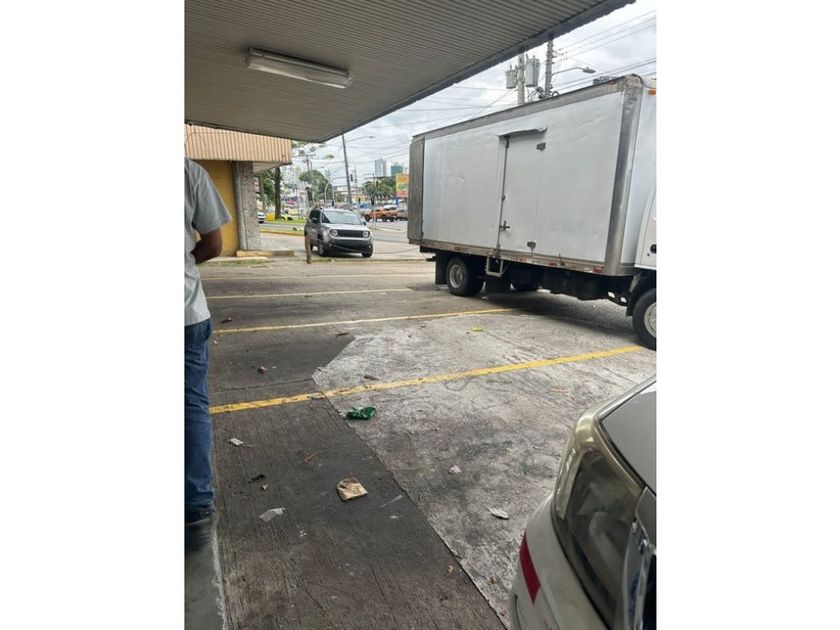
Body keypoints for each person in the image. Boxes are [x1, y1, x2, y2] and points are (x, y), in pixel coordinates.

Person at [184, 158, 231, 526]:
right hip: (184, 311)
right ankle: (197, 502)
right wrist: (184, 261)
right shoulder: (188, 172)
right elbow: (214, 244)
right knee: (191, 404)